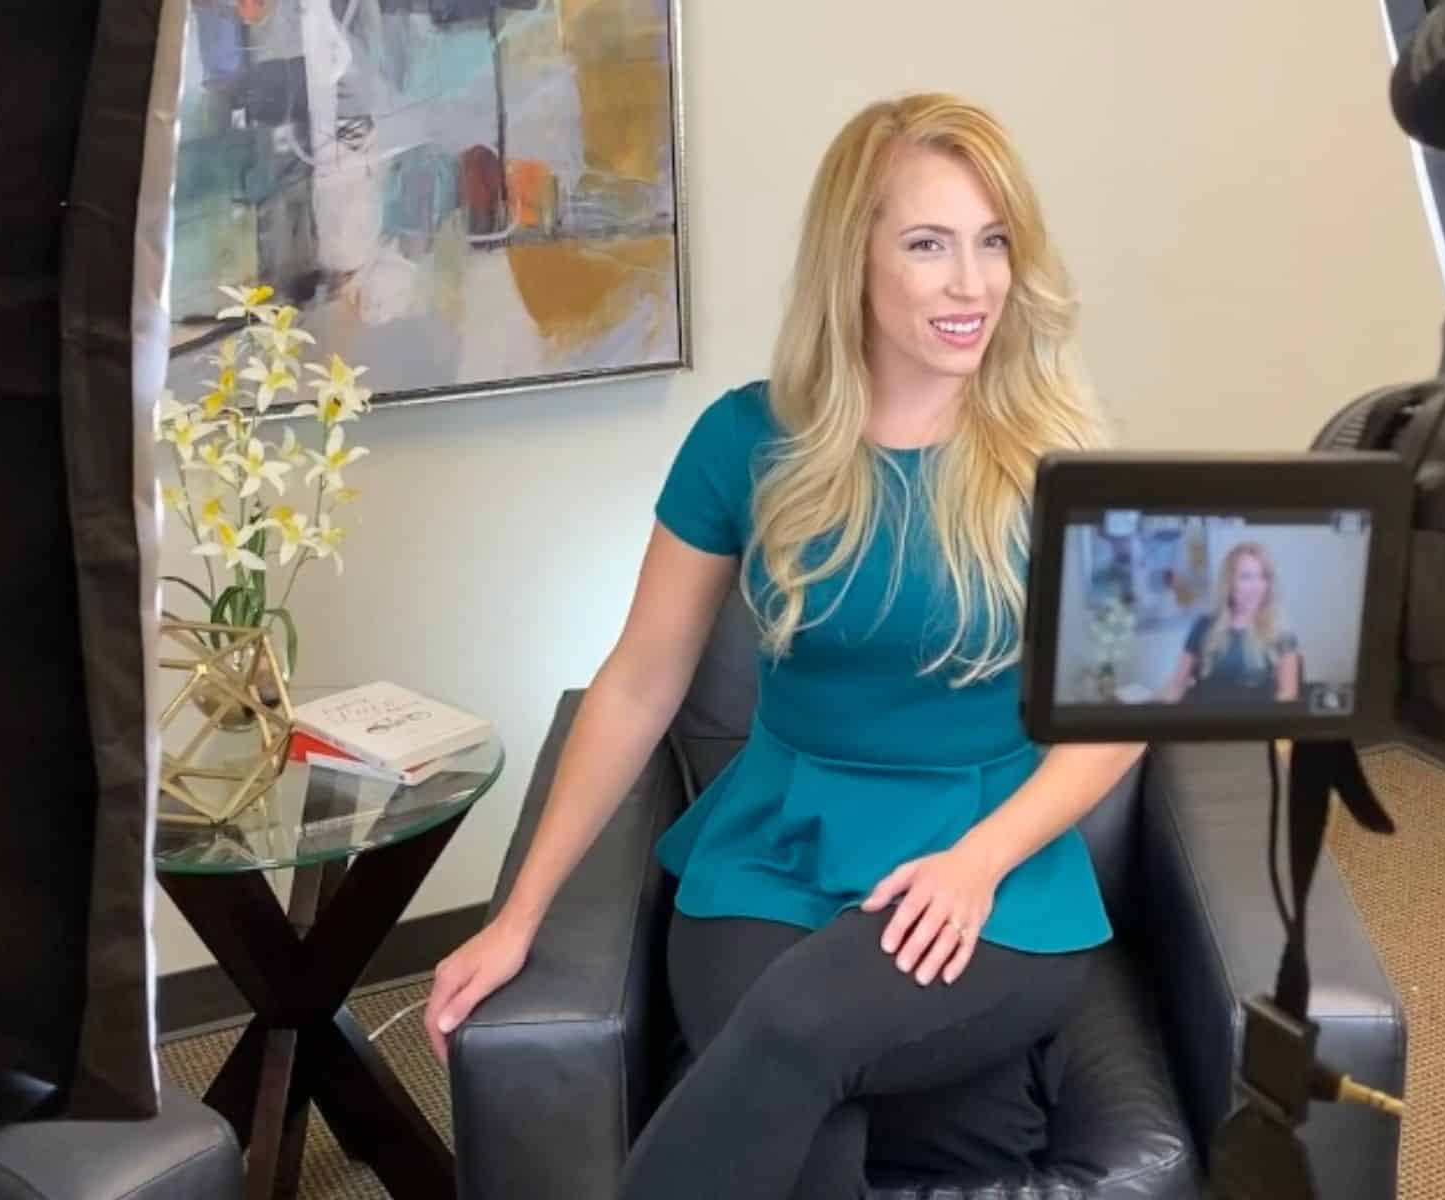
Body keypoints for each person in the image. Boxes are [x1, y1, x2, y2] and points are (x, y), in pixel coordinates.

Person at [423, 92, 1143, 1198]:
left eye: (994, 242)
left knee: (794, 1032)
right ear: (853, 259)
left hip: (987, 863)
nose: (972, 283)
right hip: (775, 847)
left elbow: (1120, 720)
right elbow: (639, 682)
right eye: (929, 244)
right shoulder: (744, 438)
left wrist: (978, 862)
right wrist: (519, 916)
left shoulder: (1067, 457)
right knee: (809, 1125)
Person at [1159, 542, 1301, 705]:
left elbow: (1288, 694)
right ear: (1229, 584)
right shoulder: (1204, 626)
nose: (1256, 587)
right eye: (1246, 577)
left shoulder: (1282, 632)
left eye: (1262, 577)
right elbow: (1176, 687)